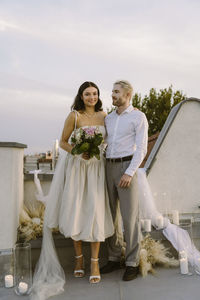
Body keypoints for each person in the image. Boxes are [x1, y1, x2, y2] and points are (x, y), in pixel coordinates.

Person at [31, 82, 114, 300]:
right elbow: (64, 142)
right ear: (81, 96)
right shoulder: (74, 116)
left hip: (96, 169)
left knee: (95, 210)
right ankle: (79, 258)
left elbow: (109, 141)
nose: (92, 97)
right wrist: (79, 151)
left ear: (98, 96)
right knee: (77, 208)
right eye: (87, 94)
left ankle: (94, 263)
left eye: (95, 93)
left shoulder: (105, 116)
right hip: (77, 168)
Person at [101, 80, 148, 281]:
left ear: (128, 95)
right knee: (109, 216)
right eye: (112, 91)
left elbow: (142, 148)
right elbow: (104, 142)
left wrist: (129, 173)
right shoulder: (108, 118)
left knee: (130, 218)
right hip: (108, 166)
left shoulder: (138, 117)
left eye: (116, 92)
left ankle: (132, 262)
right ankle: (113, 257)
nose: (112, 95)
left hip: (126, 167)